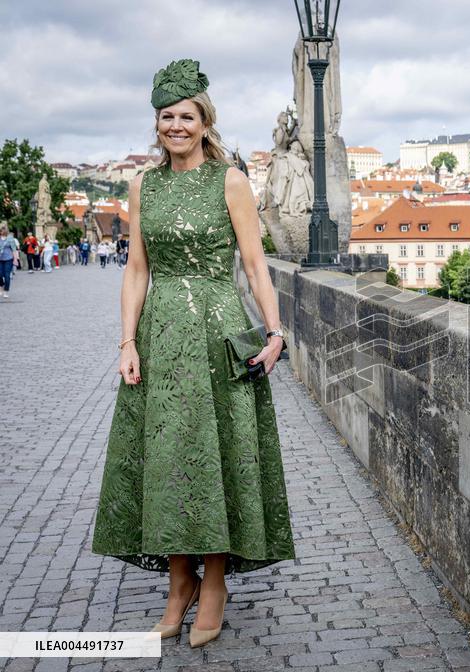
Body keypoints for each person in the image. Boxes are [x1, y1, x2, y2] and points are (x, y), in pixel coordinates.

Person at [91, 59, 294, 649]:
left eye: (186, 116)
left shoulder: (230, 179)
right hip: (160, 337)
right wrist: (127, 342)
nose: (175, 126)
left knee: (217, 455)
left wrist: (276, 333)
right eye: (166, 117)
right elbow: (135, 270)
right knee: (167, 456)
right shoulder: (143, 185)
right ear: (157, 124)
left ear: (205, 122)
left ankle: (213, 585)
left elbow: (255, 265)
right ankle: (178, 585)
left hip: (218, 331)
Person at [0, 225, 17, 298]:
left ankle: (6, 291)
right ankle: (1, 286)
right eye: (1, 230)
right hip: (0, 259)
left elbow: (14, 249)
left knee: (7, 276)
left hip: (8, 259)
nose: (2, 231)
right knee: (0, 275)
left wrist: (15, 259)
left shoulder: (10, 239)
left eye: (3, 230)